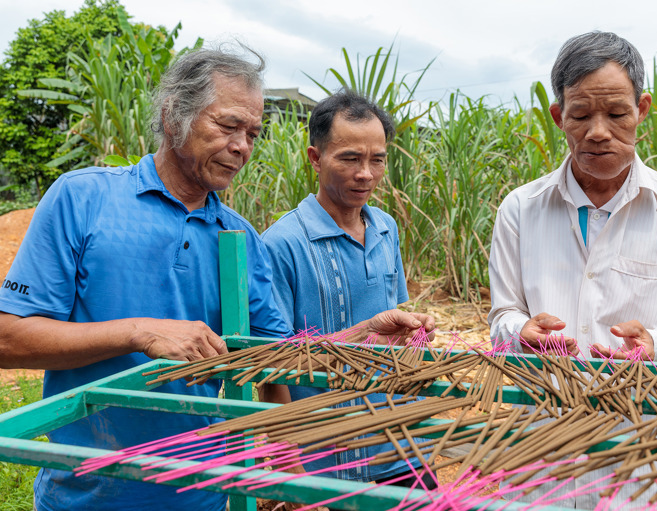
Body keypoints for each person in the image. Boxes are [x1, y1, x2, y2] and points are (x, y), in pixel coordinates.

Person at [0, 49, 425, 511]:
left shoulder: (238, 237)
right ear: (172, 115)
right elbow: (10, 340)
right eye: (227, 126)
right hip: (86, 495)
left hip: (201, 494)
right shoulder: (83, 199)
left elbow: (275, 361)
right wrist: (138, 332)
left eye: (253, 134)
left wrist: (359, 335)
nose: (242, 145)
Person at [487, 31, 657, 507]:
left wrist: (655, 343)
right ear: (559, 117)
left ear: (642, 109)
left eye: (617, 114)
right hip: (541, 436)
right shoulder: (520, 209)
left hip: (642, 440)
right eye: (580, 115)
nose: (598, 131)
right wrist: (521, 332)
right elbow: (503, 316)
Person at [261, 90, 437, 492]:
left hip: (401, 441)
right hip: (329, 460)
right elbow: (271, 367)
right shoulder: (281, 244)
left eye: (377, 159)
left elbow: (393, 326)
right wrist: (287, 465)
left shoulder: (385, 228)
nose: (366, 174)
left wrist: (413, 329)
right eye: (350, 159)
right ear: (315, 158)